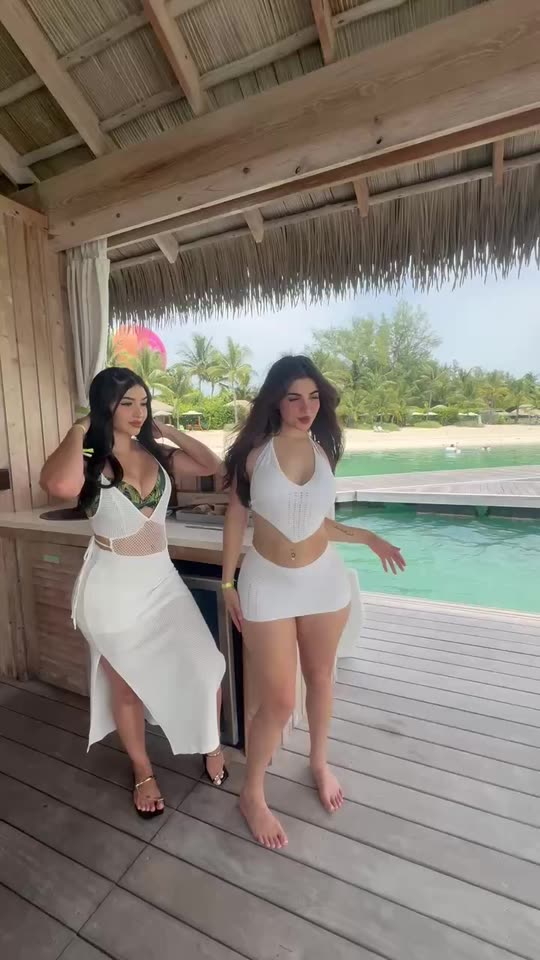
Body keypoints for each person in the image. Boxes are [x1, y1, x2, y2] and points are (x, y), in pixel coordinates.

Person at [221, 355, 405, 849]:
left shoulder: (324, 450)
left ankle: (319, 762)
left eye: (314, 397)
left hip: (324, 581)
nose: (306, 408)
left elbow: (316, 522)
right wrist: (227, 583)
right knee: (280, 699)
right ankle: (252, 792)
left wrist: (367, 537)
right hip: (267, 582)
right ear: (276, 401)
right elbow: (236, 518)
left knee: (322, 678)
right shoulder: (253, 454)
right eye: (294, 398)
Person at [40, 368, 228, 819]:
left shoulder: (158, 455)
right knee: (126, 689)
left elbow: (212, 467)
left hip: (162, 582)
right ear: (104, 406)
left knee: (208, 666)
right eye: (127, 403)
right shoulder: (91, 463)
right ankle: (143, 770)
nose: (138, 411)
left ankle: (211, 741)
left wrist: (166, 429)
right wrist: (81, 427)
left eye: (143, 402)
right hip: (112, 591)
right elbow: (59, 486)